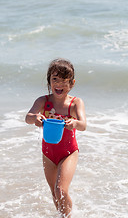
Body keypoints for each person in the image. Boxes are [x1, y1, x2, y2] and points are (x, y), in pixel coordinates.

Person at [25, 58, 86, 218]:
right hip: (48, 152)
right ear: (49, 81)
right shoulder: (43, 101)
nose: (59, 84)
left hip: (68, 152)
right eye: (55, 79)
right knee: (54, 192)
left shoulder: (75, 103)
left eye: (65, 81)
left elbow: (83, 124)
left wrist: (74, 123)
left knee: (61, 190)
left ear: (72, 83)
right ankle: (62, 215)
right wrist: (35, 119)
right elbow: (28, 117)